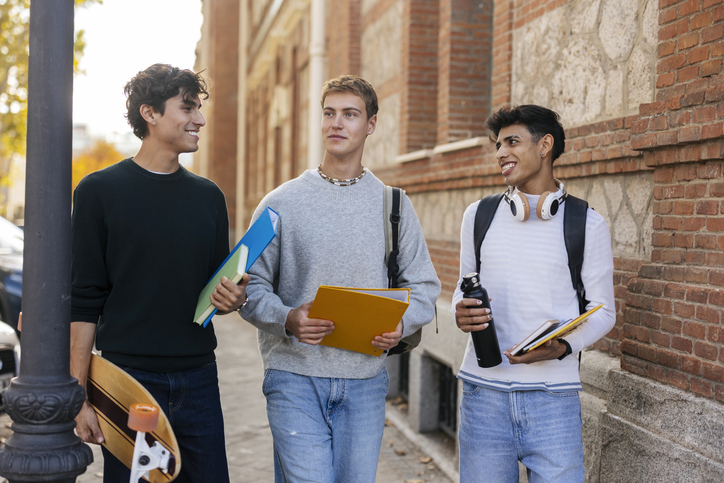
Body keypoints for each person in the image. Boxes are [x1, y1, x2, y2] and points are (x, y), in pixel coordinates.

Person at [240, 74, 441, 482]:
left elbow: (424, 287)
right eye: (329, 113)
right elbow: (249, 287)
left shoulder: (394, 205)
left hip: (365, 381)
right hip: (293, 375)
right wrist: (288, 318)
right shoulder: (280, 202)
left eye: (350, 114)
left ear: (370, 124)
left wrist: (401, 323)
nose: (337, 123)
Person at [70, 63, 247, 483]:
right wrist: (79, 396)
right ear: (149, 113)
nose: (199, 119)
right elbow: (84, 298)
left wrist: (233, 299)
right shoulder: (98, 192)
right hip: (129, 382)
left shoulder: (209, 198)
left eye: (199, 109)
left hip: (200, 379)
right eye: (187, 108)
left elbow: (215, 294)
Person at [452, 105, 616, 482]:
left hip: (553, 400)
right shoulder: (477, 216)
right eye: (497, 145)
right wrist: (463, 315)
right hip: (483, 396)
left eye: (512, 141)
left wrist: (561, 348)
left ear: (545, 145)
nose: (500, 153)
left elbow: (603, 312)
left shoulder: (587, 223)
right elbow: (466, 291)